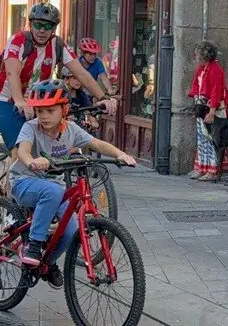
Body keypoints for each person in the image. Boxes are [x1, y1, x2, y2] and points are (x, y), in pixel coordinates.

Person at [11, 79, 136, 288]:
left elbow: (96, 144)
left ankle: (47, 263)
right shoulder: (30, 128)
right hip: (25, 182)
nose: (43, 116)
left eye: (50, 111)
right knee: (51, 190)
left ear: (64, 110)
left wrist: (120, 154)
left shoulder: (71, 130)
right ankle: (34, 245)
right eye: (40, 111)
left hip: (55, 190)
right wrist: (31, 161)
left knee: (71, 230)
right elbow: (23, 150)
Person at [0, 3, 116, 152]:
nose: (42, 30)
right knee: (21, 149)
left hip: (36, 102)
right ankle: (16, 174)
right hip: (5, 101)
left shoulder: (58, 45)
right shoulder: (18, 40)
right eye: (38, 25)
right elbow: (12, 73)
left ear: (54, 28)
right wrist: (20, 101)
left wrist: (102, 97)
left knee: (54, 144)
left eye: (48, 26)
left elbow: (81, 73)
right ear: (30, 25)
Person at [187, 40, 228, 182]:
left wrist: (212, 111)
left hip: (213, 109)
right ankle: (202, 167)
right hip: (202, 106)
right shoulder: (202, 68)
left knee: (212, 139)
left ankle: (213, 170)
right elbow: (196, 85)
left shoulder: (216, 69)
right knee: (202, 138)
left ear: (204, 55)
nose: (195, 56)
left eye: (198, 53)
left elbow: (216, 91)